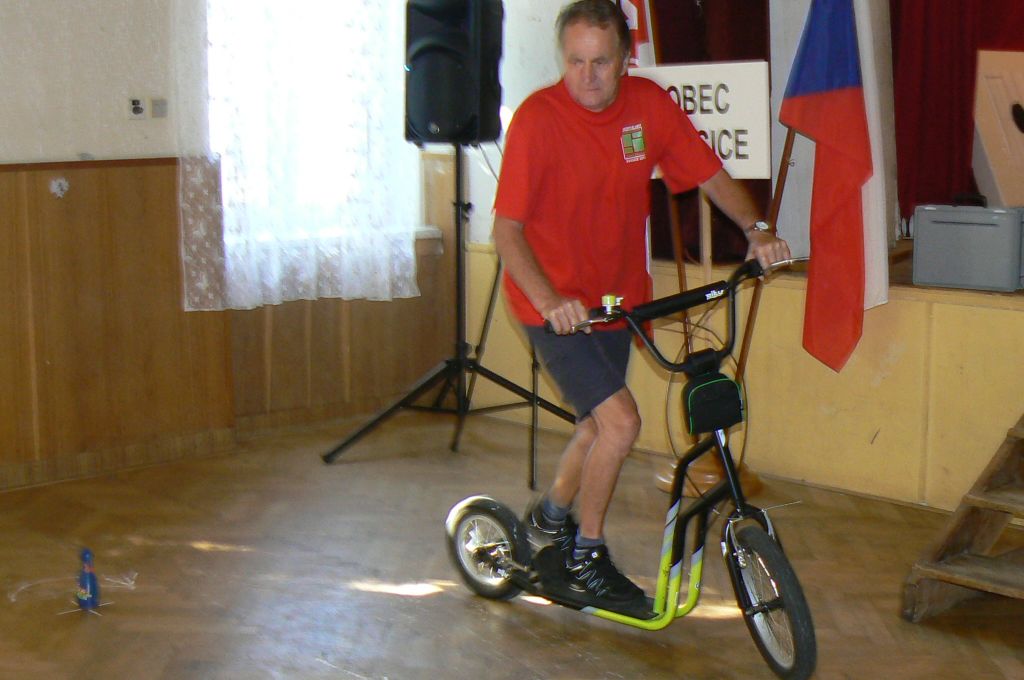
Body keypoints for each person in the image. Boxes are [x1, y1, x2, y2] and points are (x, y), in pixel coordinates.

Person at [492, 0, 791, 613]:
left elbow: (709, 174)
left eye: (601, 62)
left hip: (615, 302)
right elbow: (507, 231)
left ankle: (550, 519)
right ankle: (586, 556)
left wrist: (757, 228)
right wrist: (550, 300)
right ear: (562, 59)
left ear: (625, 59)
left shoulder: (649, 106)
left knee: (595, 424)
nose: (588, 76)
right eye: (575, 62)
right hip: (550, 305)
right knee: (622, 423)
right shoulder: (536, 120)